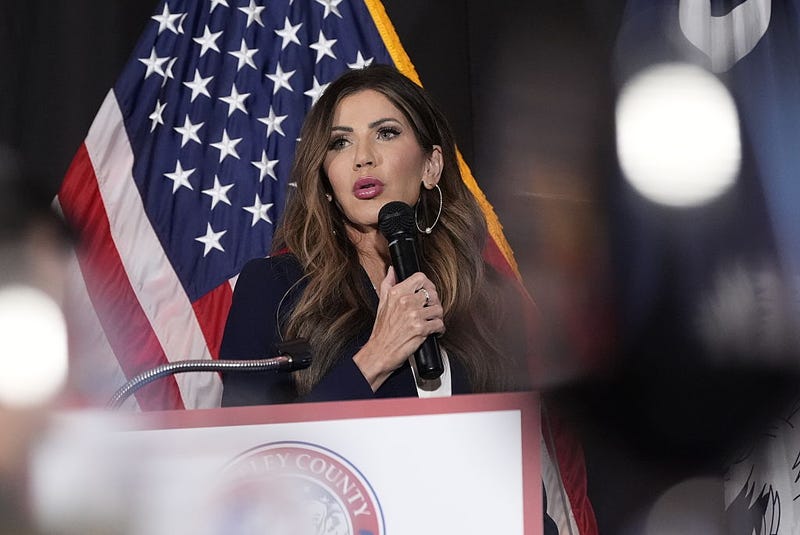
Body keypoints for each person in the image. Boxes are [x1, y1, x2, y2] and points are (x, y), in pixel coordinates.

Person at [219, 64, 533, 406]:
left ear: (431, 166)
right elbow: (251, 453)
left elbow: (521, 443)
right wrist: (376, 357)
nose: (363, 158)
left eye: (386, 133)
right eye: (340, 142)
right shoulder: (273, 289)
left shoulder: (490, 298)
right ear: (326, 180)